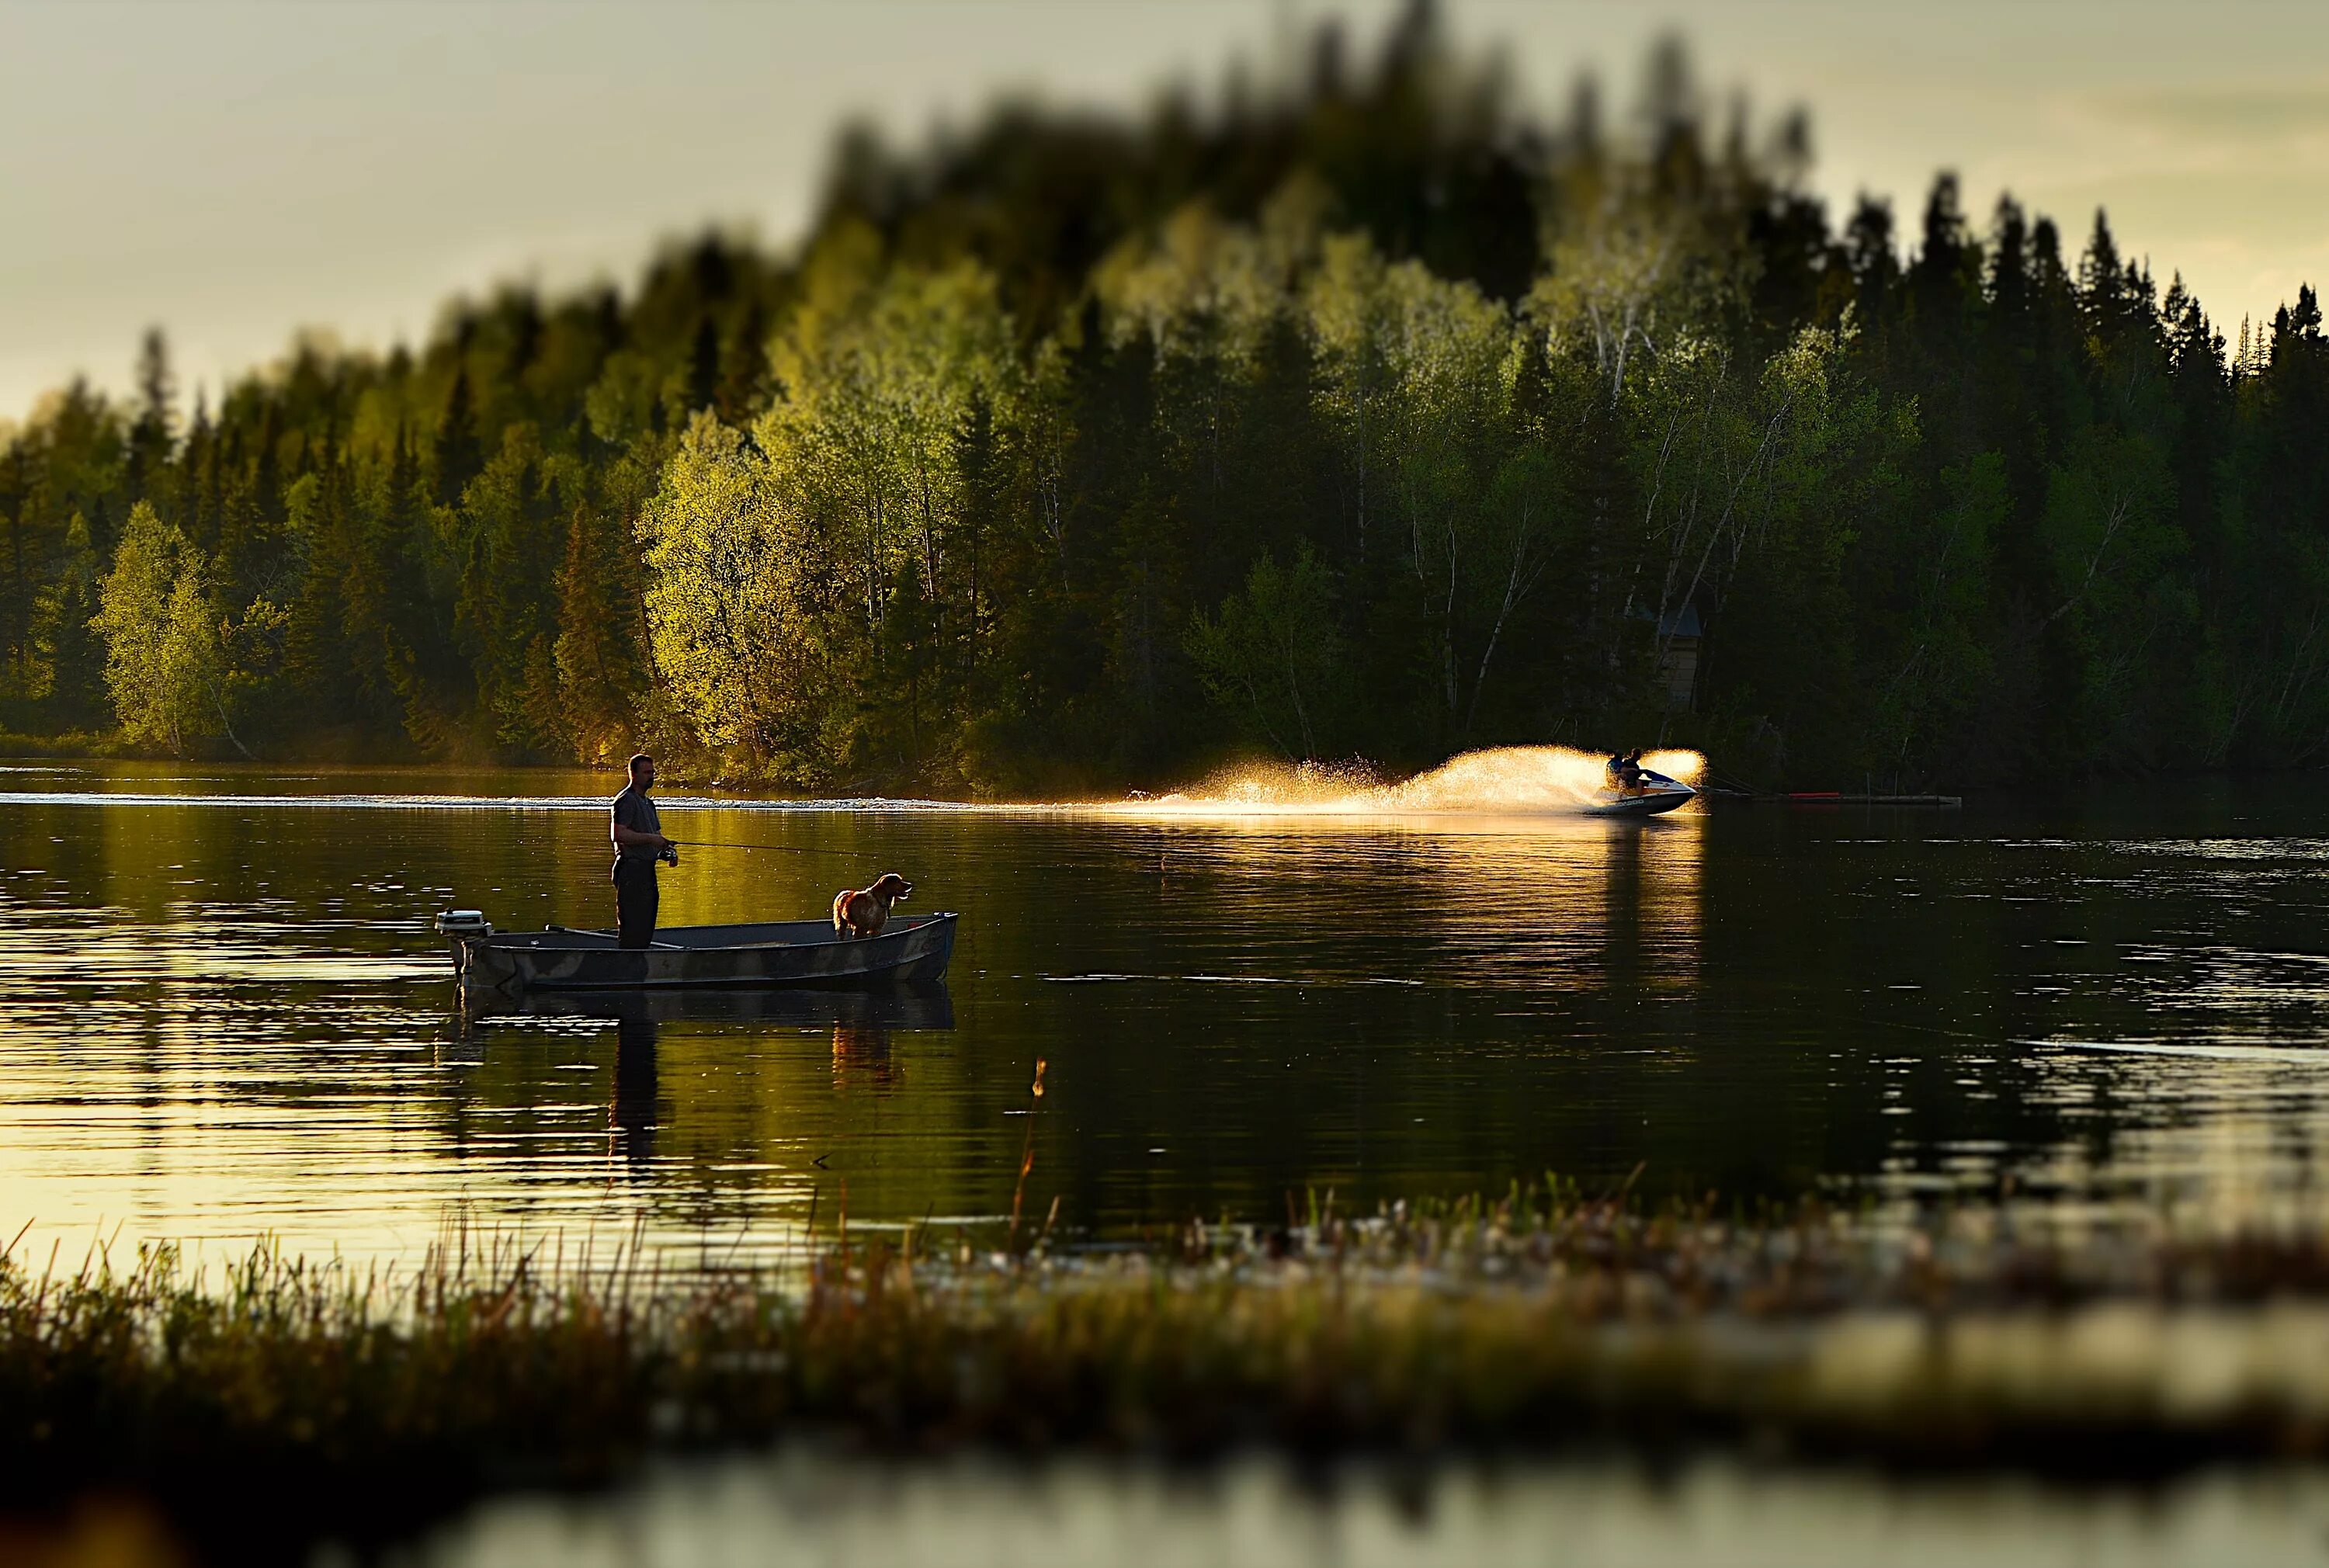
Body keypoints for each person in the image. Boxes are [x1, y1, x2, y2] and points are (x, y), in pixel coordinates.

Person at [609, 753, 676, 949]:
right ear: (634, 774)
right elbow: (619, 834)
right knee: (632, 928)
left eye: (653, 772)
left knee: (646, 927)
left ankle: (642, 964)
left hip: (647, 871)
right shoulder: (626, 800)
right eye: (647, 772)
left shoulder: (648, 803)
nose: (652, 776)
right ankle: (628, 968)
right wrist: (651, 839)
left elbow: (656, 836)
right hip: (630, 870)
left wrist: (667, 851)